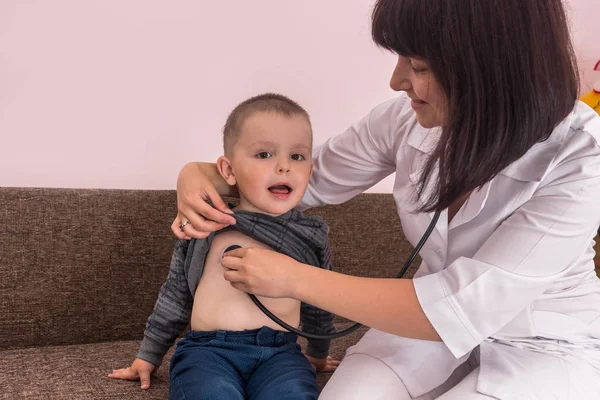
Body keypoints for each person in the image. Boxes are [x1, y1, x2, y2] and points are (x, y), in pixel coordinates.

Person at [172, 1, 600, 399]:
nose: (396, 81)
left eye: (417, 65)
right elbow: (295, 179)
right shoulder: (404, 119)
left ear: (487, 68)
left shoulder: (581, 154)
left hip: (543, 343)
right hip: (419, 334)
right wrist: (196, 174)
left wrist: (293, 278)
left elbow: (458, 308)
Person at [109, 93, 339, 400]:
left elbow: (320, 300)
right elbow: (175, 295)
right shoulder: (208, 223)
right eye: (264, 155)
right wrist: (149, 355)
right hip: (208, 351)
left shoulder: (311, 235)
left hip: (281, 354)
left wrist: (318, 353)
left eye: (297, 157)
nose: (284, 166)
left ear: (309, 172)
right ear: (228, 171)